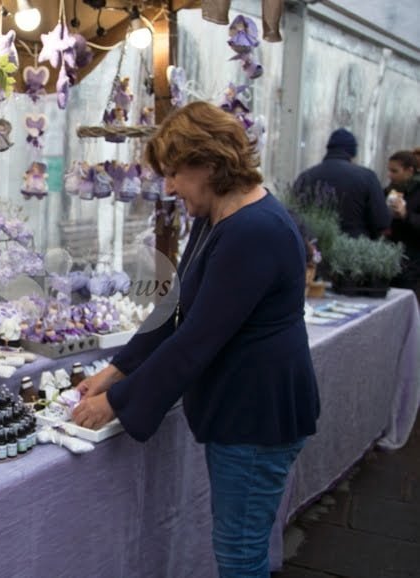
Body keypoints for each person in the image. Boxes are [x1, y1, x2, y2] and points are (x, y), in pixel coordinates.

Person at [72, 101, 320, 578]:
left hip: (256, 415)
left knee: (240, 553)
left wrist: (117, 403)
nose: (168, 187)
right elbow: (176, 308)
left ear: (208, 164)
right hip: (245, 408)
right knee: (238, 545)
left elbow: (197, 339)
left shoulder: (254, 231)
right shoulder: (219, 217)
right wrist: (115, 371)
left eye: (174, 174)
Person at [292, 128, 390, 239]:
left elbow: (294, 215)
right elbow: (382, 221)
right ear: (352, 152)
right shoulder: (367, 177)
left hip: (315, 244)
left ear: (329, 149)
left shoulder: (306, 176)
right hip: (356, 245)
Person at [385, 150, 420, 299]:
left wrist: (406, 215)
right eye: (389, 170)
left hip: (412, 262)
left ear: (409, 171)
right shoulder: (389, 190)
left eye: (395, 171)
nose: (390, 175)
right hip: (388, 259)